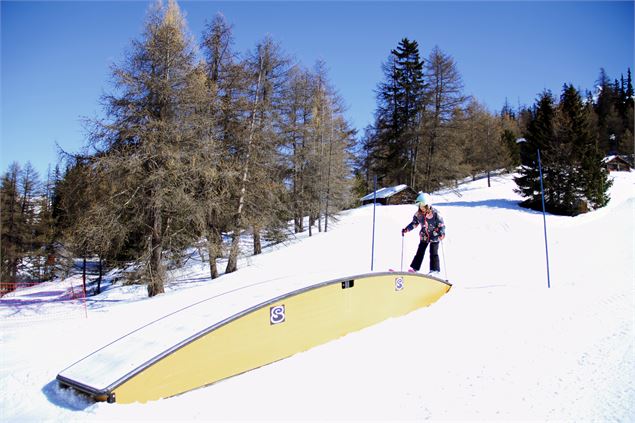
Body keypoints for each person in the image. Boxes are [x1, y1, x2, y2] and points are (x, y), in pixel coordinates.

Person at [401, 192, 445, 274]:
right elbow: (414, 223)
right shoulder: (418, 214)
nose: (421, 208)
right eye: (420, 206)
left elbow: (441, 225)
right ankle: (414, 268)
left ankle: (434, 270)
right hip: (424, 236)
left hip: (435, 236)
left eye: (423, 206)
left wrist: (441, 233)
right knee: (420, 251)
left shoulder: (435, 214)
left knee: (433, 252)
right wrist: (407, 229)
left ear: (428, 205)